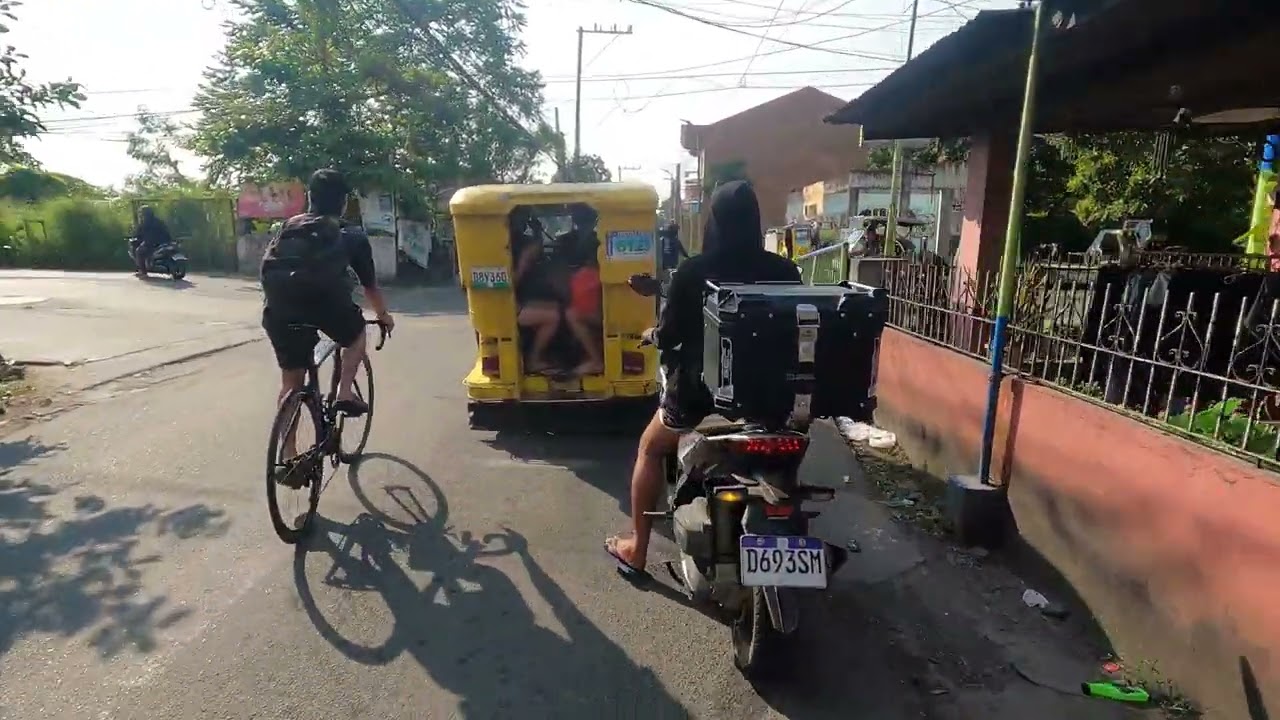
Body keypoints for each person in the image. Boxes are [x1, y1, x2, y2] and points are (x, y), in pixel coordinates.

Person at [604, 180, 801, 579]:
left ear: (715, 220)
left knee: (649, 448)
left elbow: (670, 334)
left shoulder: (694, 270)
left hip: (700, 397)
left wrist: (652, 334)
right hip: (770, 395)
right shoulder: (784, 270)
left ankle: (637, 549)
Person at [260, 169, 395, 449]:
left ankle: (288, 455)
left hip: (280, 307)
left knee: (291, 384)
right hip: (326, 305)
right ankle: (344, 392)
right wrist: (383, 316)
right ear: (343, 203)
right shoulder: (352, 235)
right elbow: (370, 287)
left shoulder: (288, 226)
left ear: (310, 197)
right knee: (356, 334)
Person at [512, 214, 562, 374]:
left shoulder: (518, 242)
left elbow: (537, 250)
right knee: (554, 317)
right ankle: (534, 360)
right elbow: (509, 284)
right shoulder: (506, 250)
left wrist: (537, 232)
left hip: (520, 302)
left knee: (560, 307)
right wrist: (524, 262)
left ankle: (548, 353)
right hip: (509, 308)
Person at [130, 205, 173, 276]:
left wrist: (137, 237)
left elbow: (141, 232)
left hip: (152, 242)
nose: (140, 215)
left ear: (145, 213)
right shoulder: (157, 220)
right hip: (164, 241)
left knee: (138, 251)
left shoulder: (146, 222)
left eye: (141, 213)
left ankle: (143, 271)